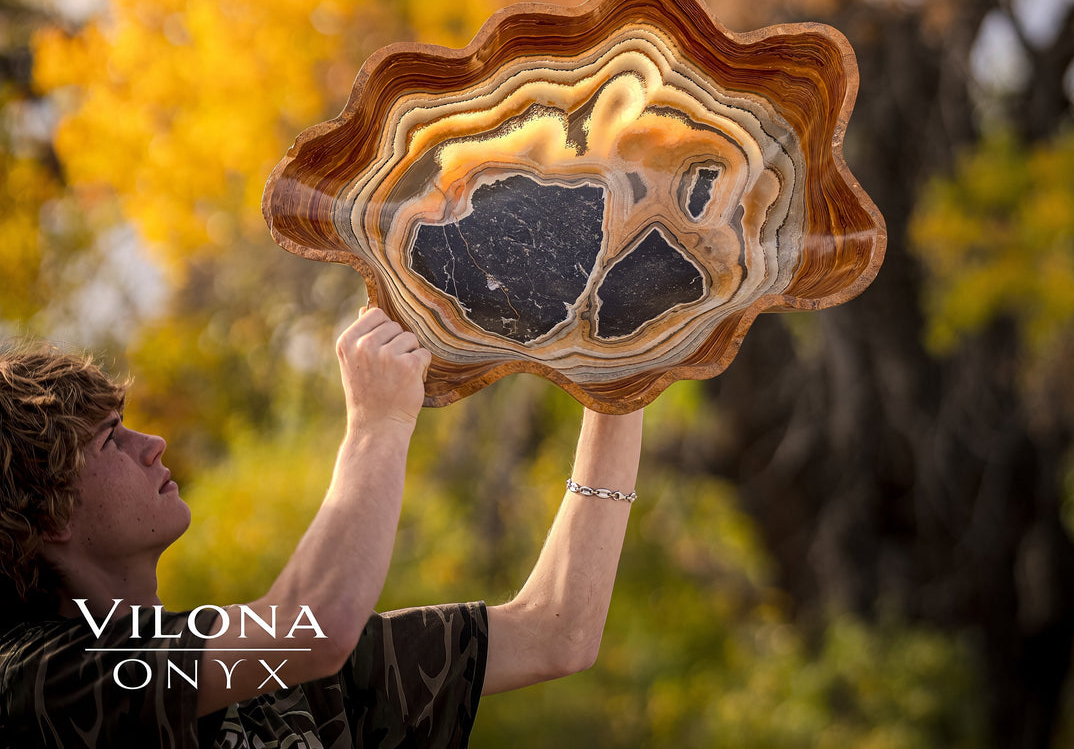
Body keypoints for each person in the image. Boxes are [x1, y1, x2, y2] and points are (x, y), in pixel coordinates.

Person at [0, 306, 644, 748]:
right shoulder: (35, 686)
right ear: (47, 510)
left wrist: (624, 368)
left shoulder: (261, 664)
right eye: (111, 439)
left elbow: (556, 632)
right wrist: (377, 424)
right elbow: (317, 625)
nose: (154, 443)